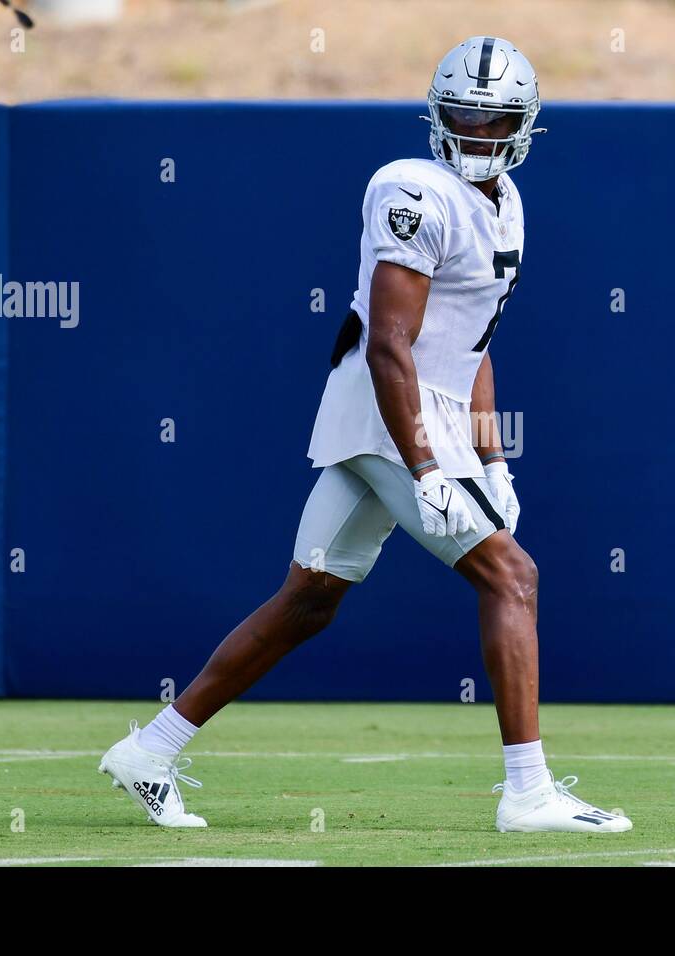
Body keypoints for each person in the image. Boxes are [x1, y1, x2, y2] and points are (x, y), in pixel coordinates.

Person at [98, 36, 632, 835]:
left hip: (436, 412)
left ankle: (150, 751)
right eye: (464, 118)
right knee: (512, 577)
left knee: (309, 600)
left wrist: (491, 456)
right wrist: (424, 467)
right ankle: (528, 791)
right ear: (435, 113)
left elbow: (474, 344)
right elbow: (390, 343)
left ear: (525, 127)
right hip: (389, 409)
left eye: (496, 123)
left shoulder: (508, 202)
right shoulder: (412, 190)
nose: (479, 137)